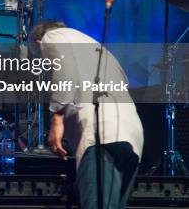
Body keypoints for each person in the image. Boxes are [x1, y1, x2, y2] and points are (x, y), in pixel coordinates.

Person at [30, 21, 143, 209]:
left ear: (38, 41)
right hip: (132, 137)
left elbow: (65, 70)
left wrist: (56, 118)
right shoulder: (97, 49)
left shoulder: (54, 37)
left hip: (101, 137)